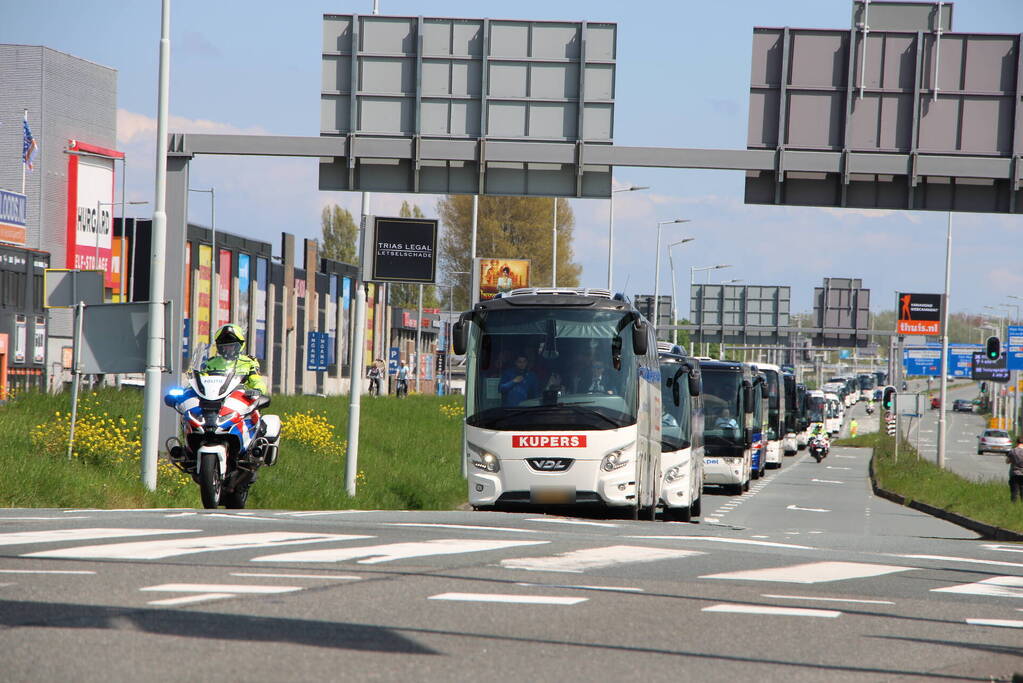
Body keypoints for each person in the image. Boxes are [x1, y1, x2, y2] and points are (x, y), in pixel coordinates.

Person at [205, 323, 268, 396]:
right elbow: (200, 379)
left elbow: (257, 380)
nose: (228, 348)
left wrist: (257, 390)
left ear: (240, 344)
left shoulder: (249, 362)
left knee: (256, 406)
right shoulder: (211, 363)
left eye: (231, 345)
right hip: (214, 397)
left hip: (241, 399)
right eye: (224, 345)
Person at [1007, 436, 1023, 503]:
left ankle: (1013, 505)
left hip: (1014, 474)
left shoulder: (1013, 451)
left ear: (1017, 442)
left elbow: (1007, 461)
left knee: (1014, 493)